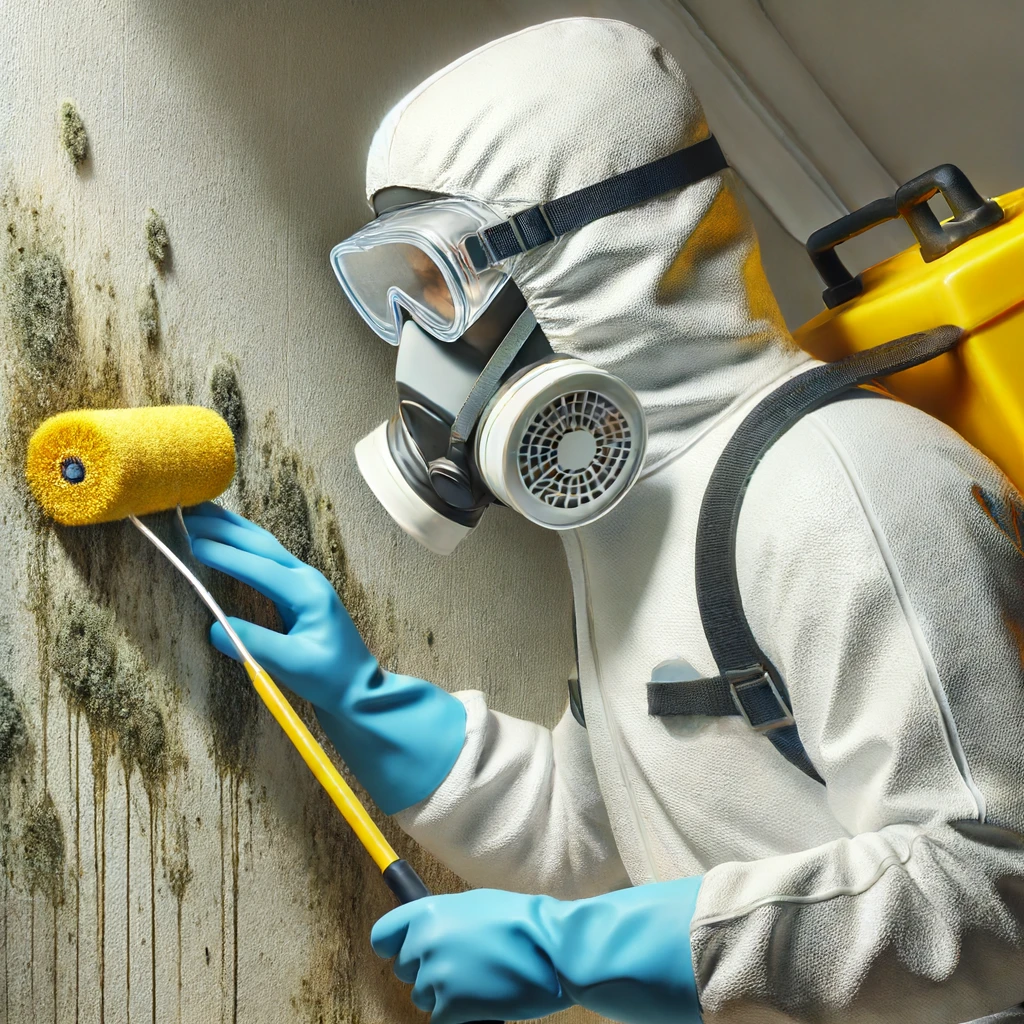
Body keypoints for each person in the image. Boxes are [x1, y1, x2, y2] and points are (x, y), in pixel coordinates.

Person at [183, 17, 1024, 1024]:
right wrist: (367, 706)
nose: (420, 348)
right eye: (398, 299)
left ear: (589, 259)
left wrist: (572, 949)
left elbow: (991, 890)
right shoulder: (632, 518)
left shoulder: (842, 485)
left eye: (442, 290)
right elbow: (602, 826)